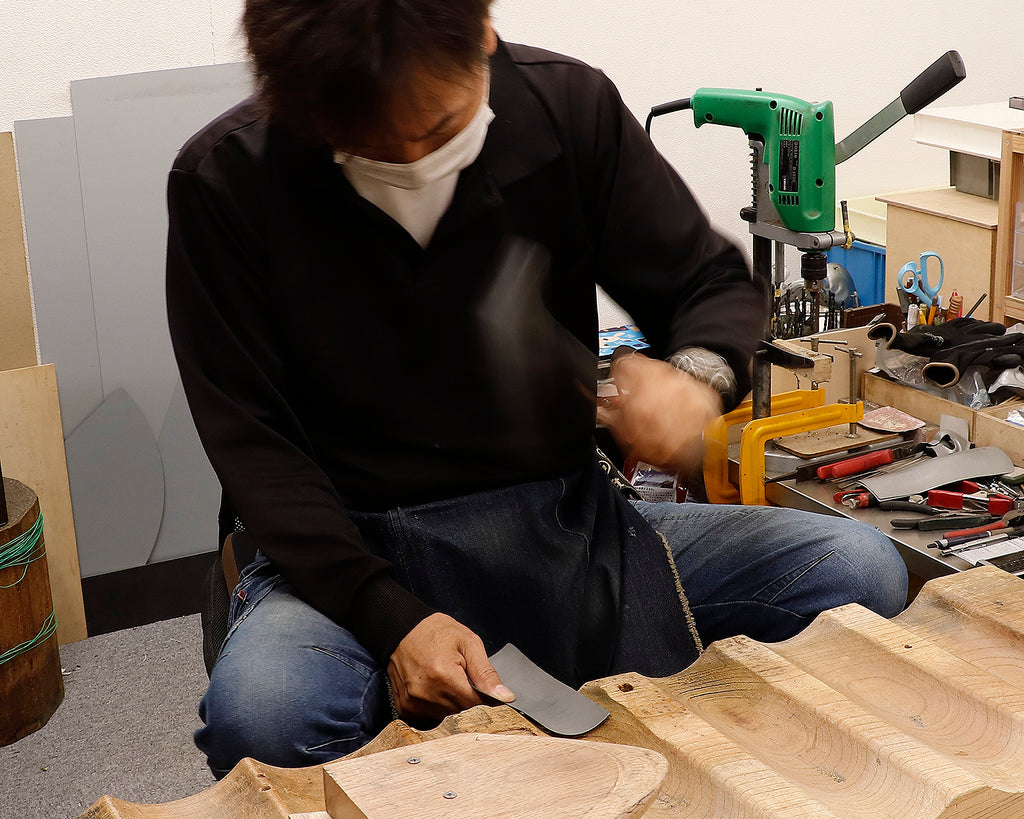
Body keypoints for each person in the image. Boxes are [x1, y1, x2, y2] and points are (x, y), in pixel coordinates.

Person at [165, 0, 908, 778]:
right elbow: (258, 454)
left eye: (438, 128)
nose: (412, 160)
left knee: (858, 571)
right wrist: (392, 620)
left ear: (483, 32)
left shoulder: (565, 108)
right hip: (345, 550)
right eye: (368, 149)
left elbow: (707, 281)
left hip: (566, 526)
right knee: (267, 714)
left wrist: (696, 377)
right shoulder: (226, 179)